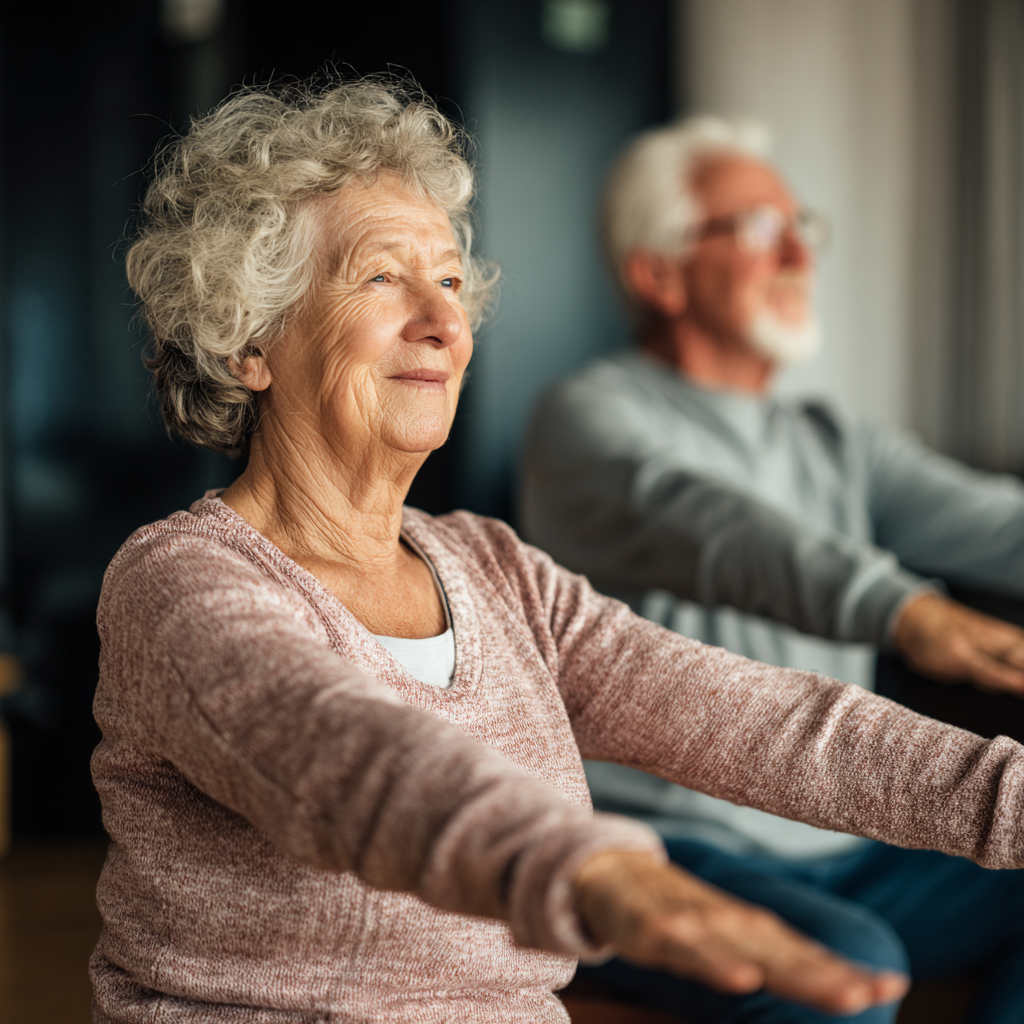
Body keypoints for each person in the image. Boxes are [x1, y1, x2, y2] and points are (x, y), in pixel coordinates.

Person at [92, 82, 1024, 1024]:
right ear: (250, 339)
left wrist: (1007, 792)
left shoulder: (498, 572)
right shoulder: (180, 581)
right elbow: (341, 752)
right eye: (381, 276)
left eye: (451, 282)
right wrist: (589, 865)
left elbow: (768, 723)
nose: (445, 323)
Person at [520, 116, 1024, 1021]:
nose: (797, 251)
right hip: (667, 845)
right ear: (658, 271)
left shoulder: (833, 440)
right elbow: (724, 532)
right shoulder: (585, 419)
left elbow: (1002, 526)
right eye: (757, 227)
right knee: (847, 972)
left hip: (845, 846)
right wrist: (905, 612)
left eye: (803, 227)